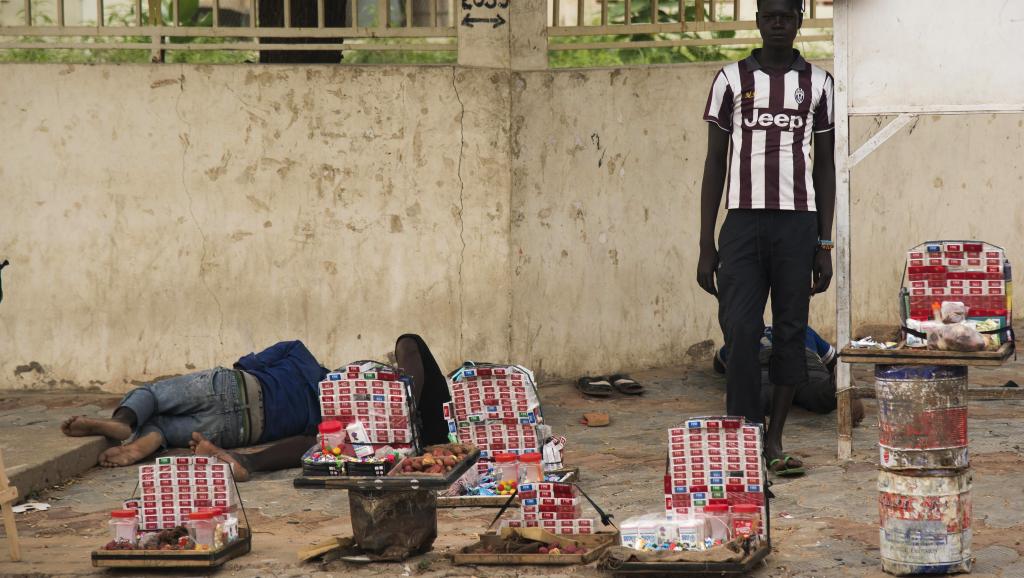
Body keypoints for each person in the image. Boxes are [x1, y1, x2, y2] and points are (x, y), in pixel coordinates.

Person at [696, 0, 836, 475]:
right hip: (742, 225)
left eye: (787, 15)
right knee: (740, 330)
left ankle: (773, 441)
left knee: (791, 335)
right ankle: (742, 438)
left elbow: (826, 165)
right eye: (770, 15)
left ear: (799, 22)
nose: (778, 22)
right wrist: (705, 243)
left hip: (798, 225)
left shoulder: (818, 84)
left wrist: (824, 243)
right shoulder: (731, 80)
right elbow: (715, 163)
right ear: (758, 21)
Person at [62, 335, 452, 481]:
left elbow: (408, 343)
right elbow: (308, 444)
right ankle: (148, 442)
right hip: (250, 431)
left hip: (232, 389)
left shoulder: (305, 361)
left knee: (151, 394)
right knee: (167, 427)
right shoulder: (337, 423)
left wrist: (245, 369)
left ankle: (122, 423)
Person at [713, 326, 863, 437]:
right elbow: (832, 358)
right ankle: (837, 383)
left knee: (759, 394)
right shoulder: (803, 328)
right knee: (819, 392)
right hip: (805, 360)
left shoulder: (747, 331)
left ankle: (742, 397)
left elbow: (719, 364)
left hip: (766, 365)